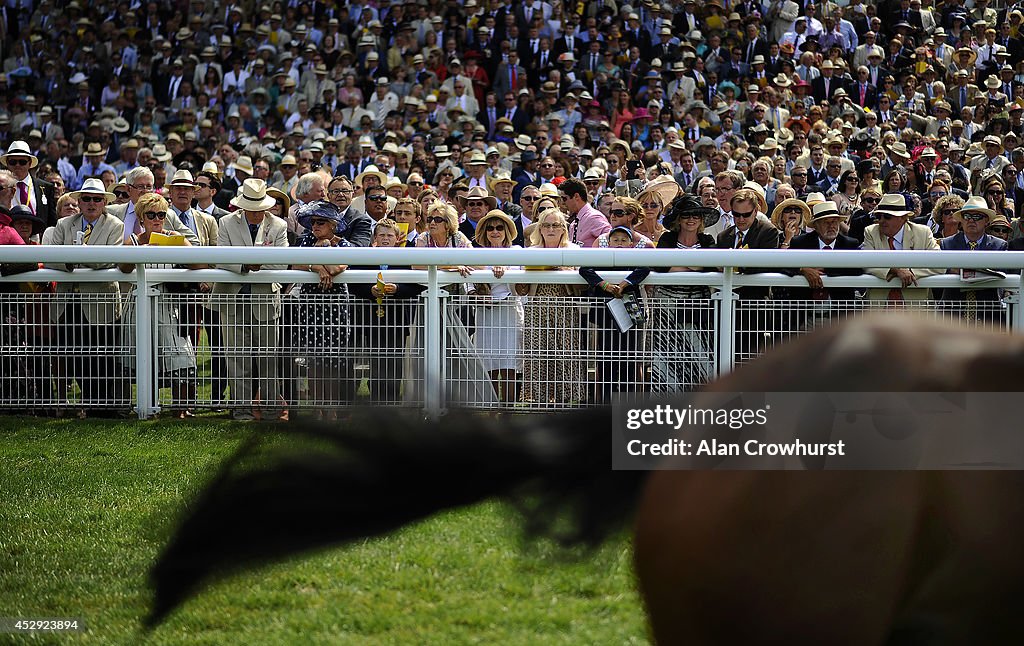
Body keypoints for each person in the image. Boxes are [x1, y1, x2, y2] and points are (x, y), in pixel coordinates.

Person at [44, 178, 127, 417]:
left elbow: (108, 258)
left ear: (104, 202)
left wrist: (74, 256)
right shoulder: (63, 224)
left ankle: (100, 405)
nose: (92, 203)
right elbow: (50, 257)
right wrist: (72, 260)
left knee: (102, 355)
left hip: (100, 301)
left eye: (97, 199)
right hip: (69, 301)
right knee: (73, 354)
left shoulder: (115, 225)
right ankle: (86, 404)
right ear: (79, 201)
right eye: (87, 199)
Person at [212, 178, 289, 422]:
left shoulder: (278, 225)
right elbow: (220, 257)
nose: (257, 214)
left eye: (260, 209)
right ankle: (241, 411)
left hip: (265, 297)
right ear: (243, 206)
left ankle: (270, 410)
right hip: (232, 298)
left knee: (268, 357)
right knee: (236, 357)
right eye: (252, 209)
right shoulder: (225, 222)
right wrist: (246, 264)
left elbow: (281, 262)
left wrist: (253, 264)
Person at [118, 192, 199, 419]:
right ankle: (146, 406)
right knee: (143, 353)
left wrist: (177, 245)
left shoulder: (174, 238)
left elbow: (200, 261)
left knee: (180, 353)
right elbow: (123, 267)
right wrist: (142, 246)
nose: (157, 219)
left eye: (161, 214)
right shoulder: (132, 241)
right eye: (151, 214)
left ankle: (180, 407)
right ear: (141, 218)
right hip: (139, 303)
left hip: (168, 304)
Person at [348, 219, 425, 403]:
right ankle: (375, 402)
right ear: (374, 237)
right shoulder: (365, 257)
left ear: (397, 238)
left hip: (396, 318)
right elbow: (351, 282)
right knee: (375, 360)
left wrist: (397, 288)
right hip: (369, 318)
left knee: (394, 361)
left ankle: (391, 402)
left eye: (389, 235)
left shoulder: (406, 259)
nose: (385, 238)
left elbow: (417, 285)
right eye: (381, 235)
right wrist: (370, 291)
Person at [290, 200, 351, 420]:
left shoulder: (344, 244)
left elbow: (337, 268)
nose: (315, 226)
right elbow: (295, 264)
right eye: (313, 222)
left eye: (321, 222)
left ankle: (332, 408)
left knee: (333, 361)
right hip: (311, 306)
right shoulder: (305, 240)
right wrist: (317, 267)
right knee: (314, 360)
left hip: (335, 308)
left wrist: (320, 254)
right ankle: (317, 406)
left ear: (333, 224)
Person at [516, 209, 584, 406]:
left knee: (566, 353)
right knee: (537, 353)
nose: (551, 229)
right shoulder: (530, 252)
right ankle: (538, 398)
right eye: (546, 225)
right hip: (537, 307)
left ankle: (569, 398)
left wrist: (565, 271)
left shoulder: (574, 250)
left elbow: (583, 285)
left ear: (564, 228)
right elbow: (521, 288)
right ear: (540, 229)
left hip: (565, 307)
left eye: (555, 225)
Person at [652, 195, 719, 391]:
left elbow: (712, 266)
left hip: (698, 307)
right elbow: (661, 266)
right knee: (667, 353)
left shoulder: (707, 240)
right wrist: (697, 266)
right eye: (686, 215)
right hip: (667, 306)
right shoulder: (667, 238)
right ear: (678, 219)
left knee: (701, 353)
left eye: (696, 215)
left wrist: (680, 265)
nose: (691, 219)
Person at [580, 225, 652, 402]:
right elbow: (584, 269)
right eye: (615, 240)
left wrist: (624, 284)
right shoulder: (601, 257)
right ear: (608, 242)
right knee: (605, 361)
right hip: (605, 317)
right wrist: (605, 285)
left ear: (630, 244)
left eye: (624, 240)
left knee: (629, 360)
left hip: (630, 314)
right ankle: (605, 406)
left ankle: (628, 406)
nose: (619, 243)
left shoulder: (636, 257)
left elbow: (645, 268)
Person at [472, 209, 524, 406]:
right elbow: (468, 282)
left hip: (510, 311)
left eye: (500, 227)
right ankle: (493, 409)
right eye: (491, 228)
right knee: (489, 364)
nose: (495, 231)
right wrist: (475, 295)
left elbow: (520, 280)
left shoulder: (517, 251)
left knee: (509, 364)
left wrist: (506, 269)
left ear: (507, 231)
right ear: (485, 232)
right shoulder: (476, 253)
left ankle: (508, 411)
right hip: (486, 314)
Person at [937, 196, 1009, 323]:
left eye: (977, 217)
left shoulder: (999, 246)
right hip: (951, 316)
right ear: (961, 221)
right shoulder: (946, 244)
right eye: (966, 216)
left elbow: (1002, 278)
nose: (971, 220)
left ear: (986, 220)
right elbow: (939, 273)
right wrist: (952, 271)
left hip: (989, 316)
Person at [862, 193, 943, 301]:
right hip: (879, 307)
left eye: (887, 216)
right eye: (878, 216)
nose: (881, 220)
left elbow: (941, 265)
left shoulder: (923, 233)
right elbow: (866, 263)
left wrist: (910, 272)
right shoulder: (871, 232)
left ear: (903, 218)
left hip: (915, 308)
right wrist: (894, 270)